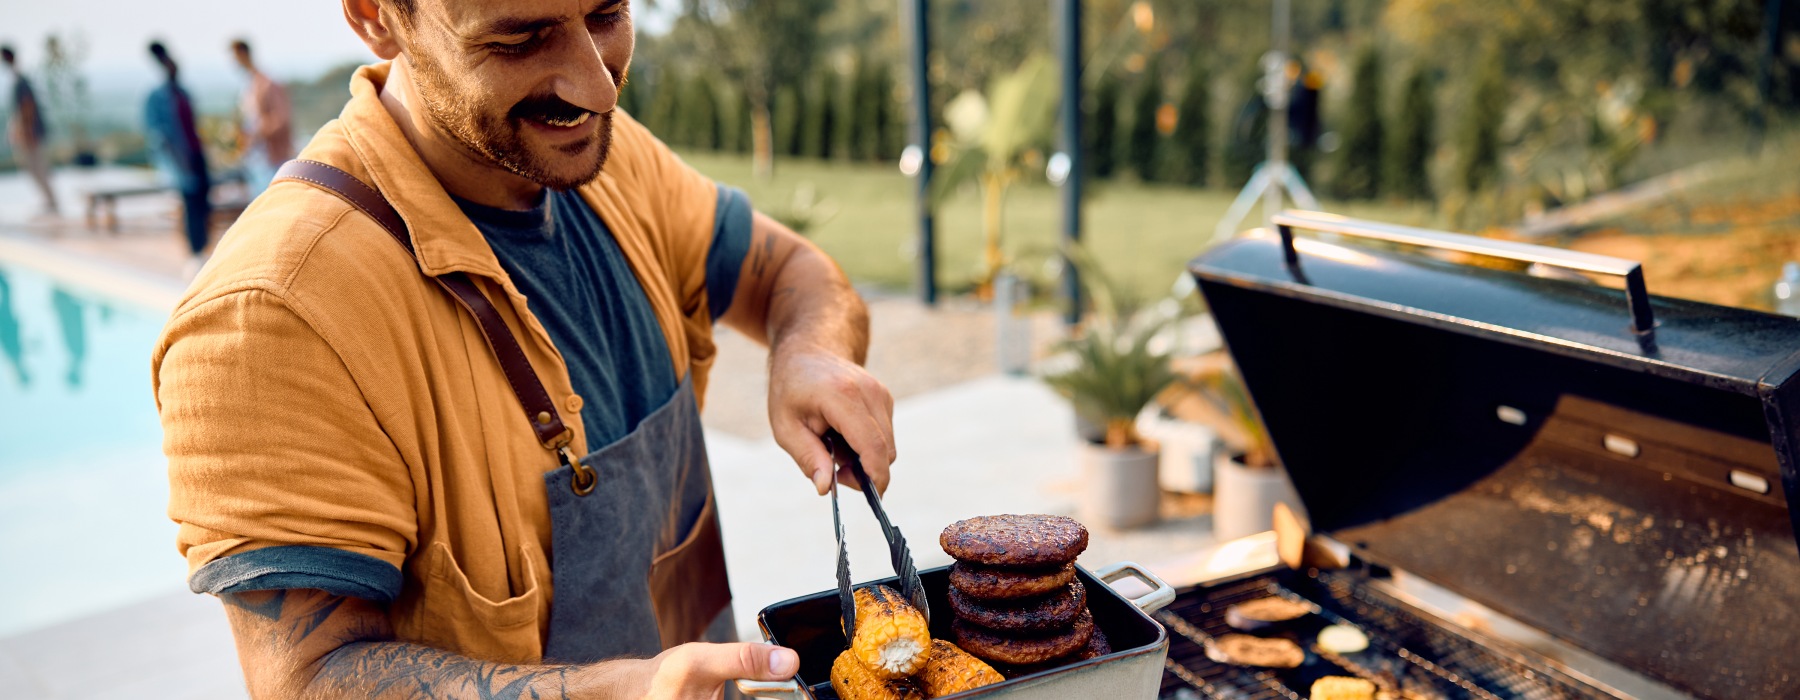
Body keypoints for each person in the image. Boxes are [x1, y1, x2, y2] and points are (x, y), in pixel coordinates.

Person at [151, 0, 897, 697]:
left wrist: (810, 351)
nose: (597, 87)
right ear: (377, 17)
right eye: (519, 38)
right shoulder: (273, 314)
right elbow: (308, 678)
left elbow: (790, 274)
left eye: (606, 13)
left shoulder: (598, 153)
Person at [142, 41, 212, 272]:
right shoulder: (157, 97)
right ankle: (194, 255)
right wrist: (176, 162)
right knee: (190, 205)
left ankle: (203, 250)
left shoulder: (183, 93)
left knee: (203, 203)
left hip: (196, 155)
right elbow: (158, 135)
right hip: (180, 160)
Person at [229, 39, 293, 197]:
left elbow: (281, 118)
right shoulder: (247, 84)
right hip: (254, 158)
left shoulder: (268, 83)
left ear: (243, 54)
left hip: (271, 158)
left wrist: (256, 133)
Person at [3, 45, 58, 217]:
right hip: (29, 132)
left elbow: (27, 106)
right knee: (35, 169)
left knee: (37, 168)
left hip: (31, 134)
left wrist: (27, 132)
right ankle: (49, 202)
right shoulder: (18, 79)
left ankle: (51, 202)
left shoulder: (20, 80)